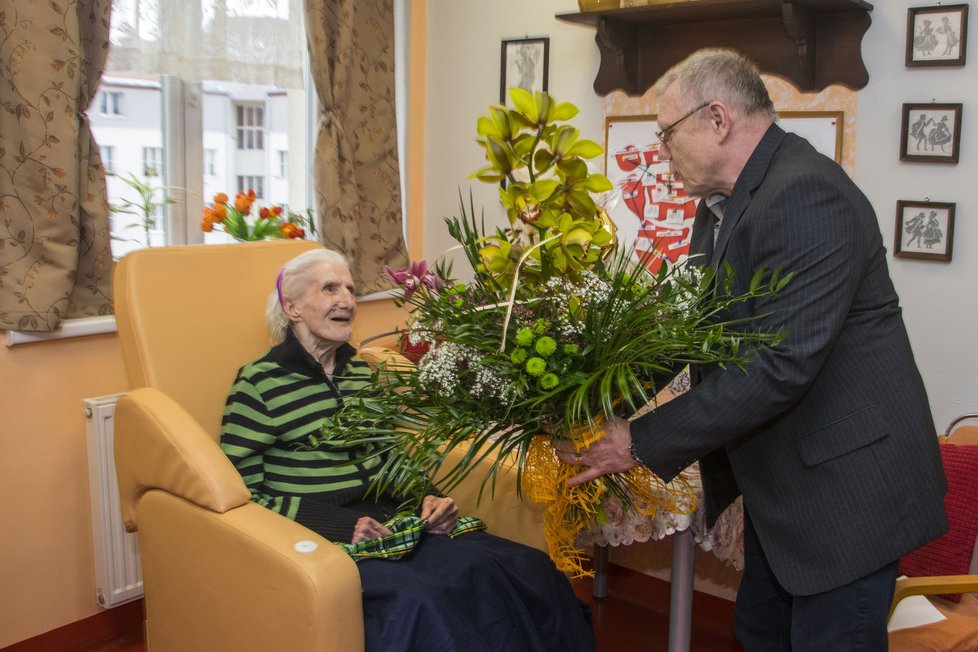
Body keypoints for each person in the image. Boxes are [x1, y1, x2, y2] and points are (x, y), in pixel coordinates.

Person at [557, 49, 947, 650]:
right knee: (762, 629)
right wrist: (589, 399)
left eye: (666, 133)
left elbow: (778, 367)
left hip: (847, 492)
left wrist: (636, 441)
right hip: (791, 484)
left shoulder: (808, 195)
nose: (661, 152)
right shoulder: (718, 208)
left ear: (717, 119)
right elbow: (686, 332)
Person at [220, 246, 596, 652]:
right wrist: (340, 525)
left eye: (349, 288)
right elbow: (244, 495)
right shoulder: (258, 383)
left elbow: (390, 457)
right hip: (327, 538)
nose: (347, 299)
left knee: (528, 569)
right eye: (329, 289)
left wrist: (429, 498)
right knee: (430, 601)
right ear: (292, 308)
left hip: (394, 518)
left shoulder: (359, 373)